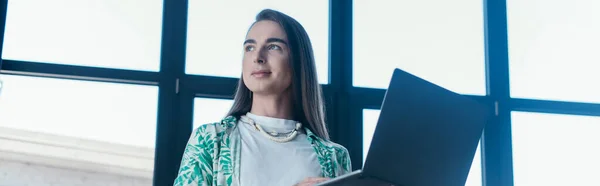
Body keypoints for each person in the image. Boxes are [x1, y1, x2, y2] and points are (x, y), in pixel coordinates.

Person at [173, 9, 352, 186]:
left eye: (273, 46)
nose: (257, 57)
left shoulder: (334, 157)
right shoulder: (210, 140)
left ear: (298, 60)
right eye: (249, 48)